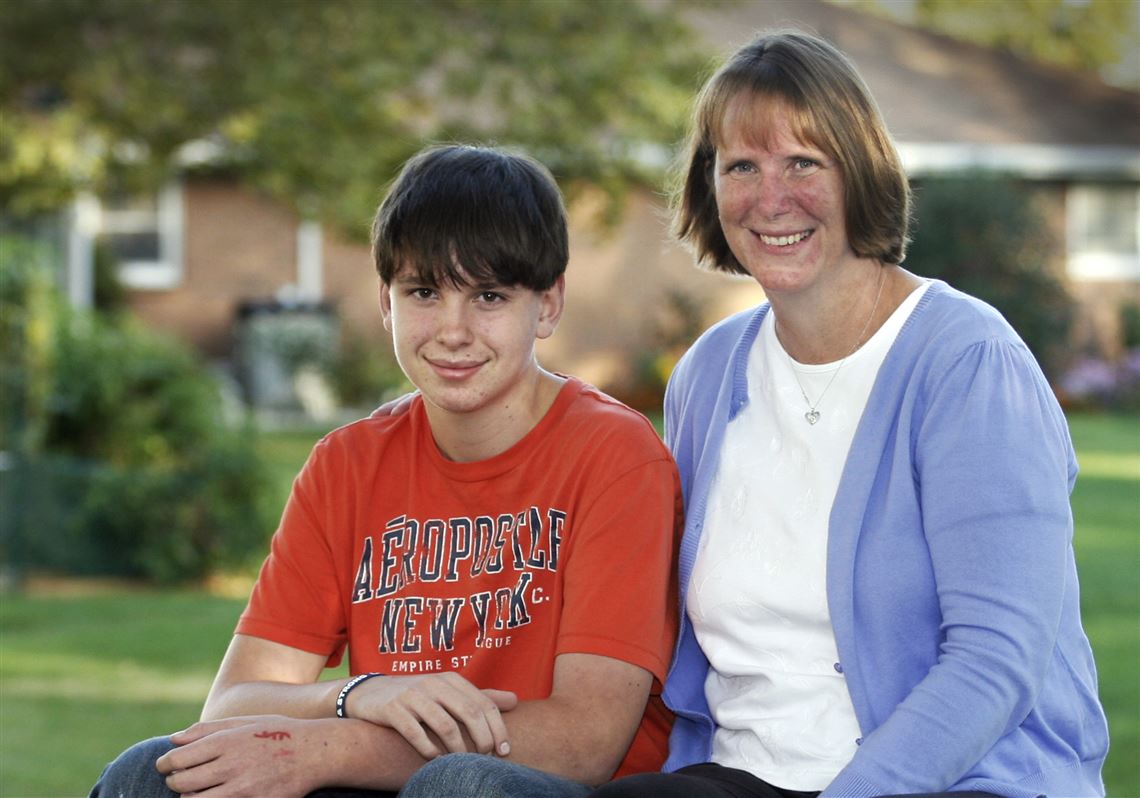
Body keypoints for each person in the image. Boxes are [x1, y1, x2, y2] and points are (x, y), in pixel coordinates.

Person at [588, 30, 1109, 798]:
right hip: (745, 774)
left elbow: (996, 657)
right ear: (711, 187)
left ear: (860, 172)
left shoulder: (966, 362)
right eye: (741, 166)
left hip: (961, 780)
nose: (772, 198)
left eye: (804, 162)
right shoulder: (707, 374)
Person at [88, 144, 682, 798]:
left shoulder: (616, 456)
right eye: (424, 292)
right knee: (152, 772)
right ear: (386, 302)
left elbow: (584, 742)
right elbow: (232, 705)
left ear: (547, 305)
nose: (452, 330)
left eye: (489, 296)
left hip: (548, 787)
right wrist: (359, 693)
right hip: (391, 780)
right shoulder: (347, 465)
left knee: (460, 785)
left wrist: (326, 749)